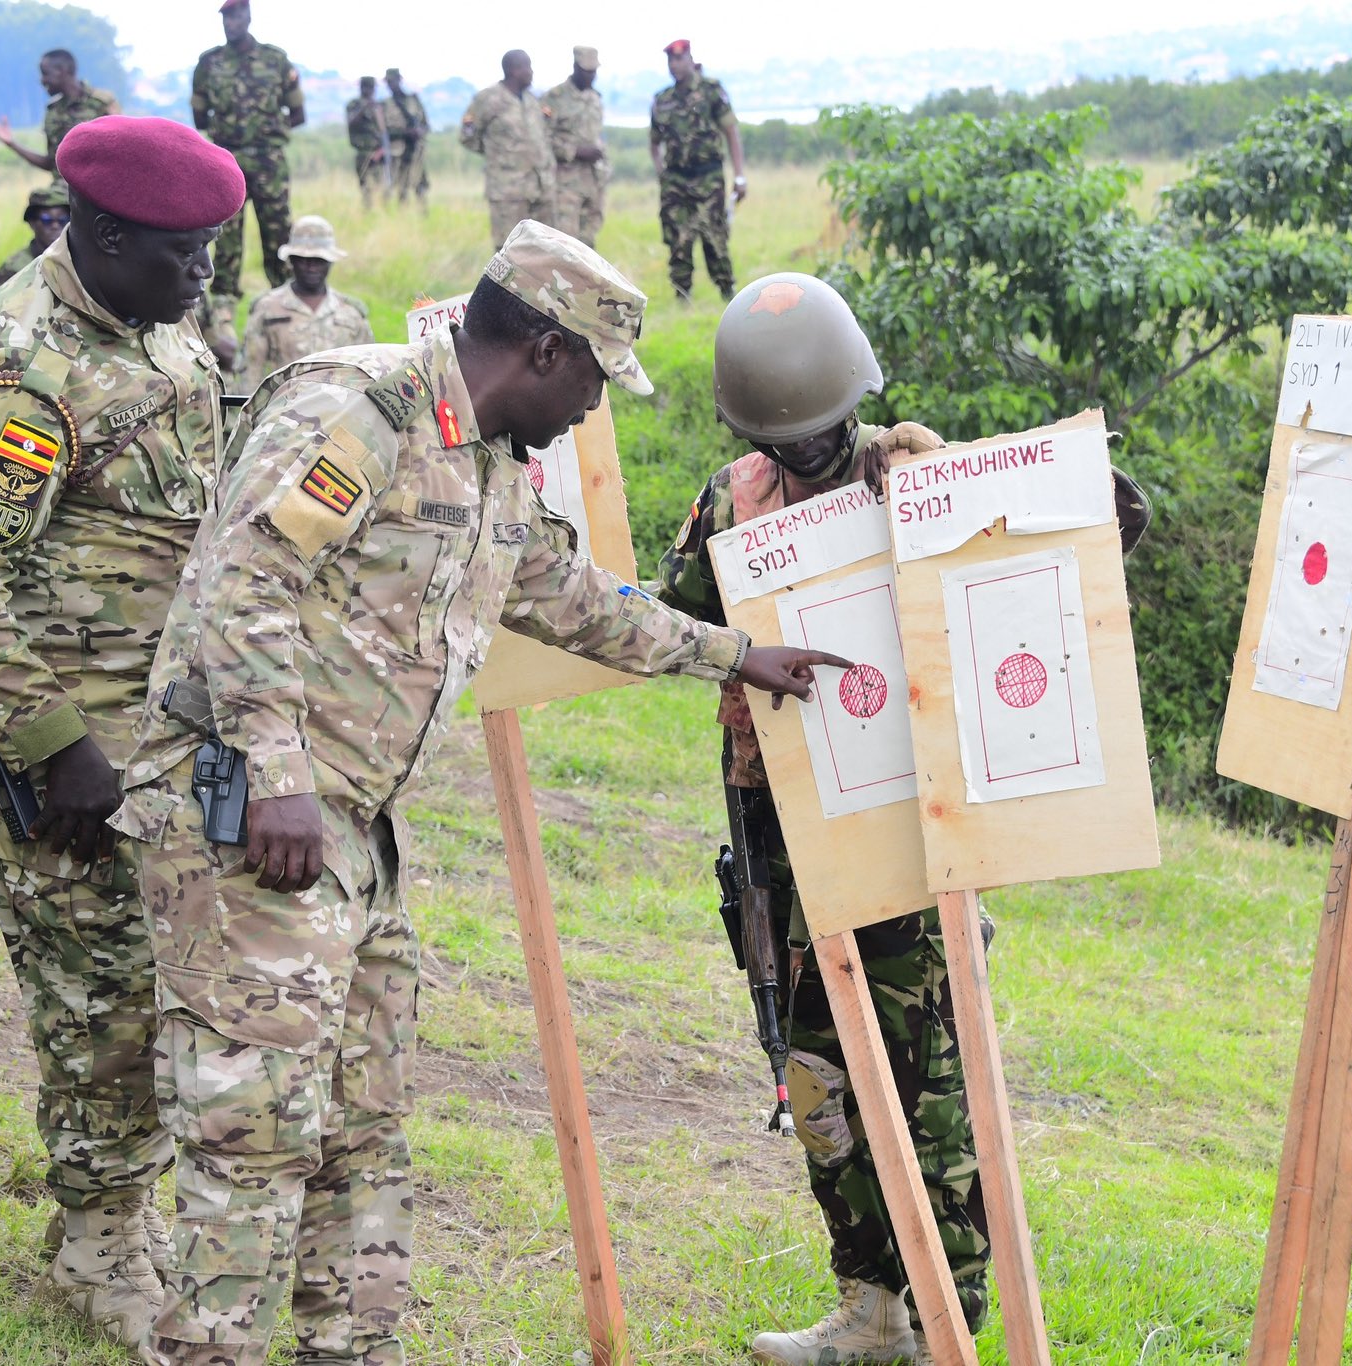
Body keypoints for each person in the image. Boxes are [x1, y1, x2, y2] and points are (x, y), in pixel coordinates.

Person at [112, 219, 847, 1366]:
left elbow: (570, 595)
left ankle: (351, 1345)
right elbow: (239, 580)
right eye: (596, 382)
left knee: (363, 1115)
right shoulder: (360, 411)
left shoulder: (493, 458)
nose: (594, 411)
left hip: (349, 831)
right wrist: (277, 774)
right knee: (252, 1130)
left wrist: (730, 651)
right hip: (254, 821)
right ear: (546, 351)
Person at [0, 114, 243, 1345]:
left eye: (211, 250)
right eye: (184, 252)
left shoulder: (156, 324)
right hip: (63, 749)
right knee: (98, 990)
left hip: (159, 731)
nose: (204, 274)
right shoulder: (23, 367)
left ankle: (116, 1212)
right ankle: (101, 1244)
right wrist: (56, 745)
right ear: (100, 232)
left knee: (165, 976)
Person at [651, 274, 1000, 1362]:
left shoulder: (911, 476)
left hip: (896, 819)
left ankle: (948, 1316)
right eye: (782, 442)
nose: (806, 455)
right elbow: (671, 615)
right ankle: (870, 1308)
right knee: (809, 1076)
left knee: (920, 1076)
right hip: (775, 825)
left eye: (822, 434)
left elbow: (1011, 565)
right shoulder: (729, 499)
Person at [192, 0, 304, 321]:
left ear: (249, 16)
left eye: (236, 15)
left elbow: (297, 112)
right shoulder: (209, 64)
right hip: (227, 162)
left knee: (278, 232)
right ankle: (222, 307)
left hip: (270, 163)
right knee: (225, 234)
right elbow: (200, 115)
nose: (231, 22)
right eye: (226, 17)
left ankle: (286, 300)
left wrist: (266, 132)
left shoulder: (276, 60)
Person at [650, 39, 746, 302]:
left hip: (708, 177)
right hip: (676, 181)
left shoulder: (712, 91)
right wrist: (662, 174)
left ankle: (727, 292)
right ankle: (682, 295)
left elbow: (731, 132)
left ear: (691, 59)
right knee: (678, 240)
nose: (674, 65)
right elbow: (654, 142)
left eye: (679, 59)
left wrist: (739, 176)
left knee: (714, 237)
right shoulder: (662, 100)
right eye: (670, 60)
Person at [240, 214, 372, 387]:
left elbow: (368, 373)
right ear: (292, 261)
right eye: (304, 260)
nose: (312, 267)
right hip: (283, 408)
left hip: (338, 409)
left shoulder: (351, 314)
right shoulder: (267, 309)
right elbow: (251, 371)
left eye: (319, 260)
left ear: (330, 262)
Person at [459, 50, 554, 249]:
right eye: (527, 67)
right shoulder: (487, 99)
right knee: (509, 251)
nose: (531, 72)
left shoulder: (532, 101)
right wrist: (497, 153)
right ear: (513, 69)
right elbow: (467, 136)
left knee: (542, 250)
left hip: (539, 188)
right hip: (507, 191)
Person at [0, 49, 118, 174]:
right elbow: (50, 163)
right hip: (63, 192)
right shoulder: (53, 111)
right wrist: (11, 143)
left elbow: (120, 151)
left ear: (61, 71)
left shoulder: (102, 102)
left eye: (45, 73)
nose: (42, 80)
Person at [545, 46, 607, 247]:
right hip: (565, 182)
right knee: (564, 243)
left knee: (588, 243)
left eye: (594, 71)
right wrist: (574, 151)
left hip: (593, 180)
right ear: (575, 67)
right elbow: (542, 138)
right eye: (586, 70)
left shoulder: (595, 98)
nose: (591, 76)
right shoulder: (554, 98)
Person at [0, 182, 70, 294]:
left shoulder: (80, 263)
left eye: (62, 220)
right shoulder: (14, 271)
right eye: (47, 220)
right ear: (32, 223)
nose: (55, 226)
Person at [380, 67, 428, 208]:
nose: (391, 85)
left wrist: (419, 132)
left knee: (420, 185)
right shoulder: (385, 105)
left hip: (416, 150)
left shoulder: (413, 100)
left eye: (393, 81)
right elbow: (384, 131)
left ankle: (422, 212)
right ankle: (403, 214)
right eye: (388, 82)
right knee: (401, 187)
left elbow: (425, 124)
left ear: (399, 80)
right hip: (397, 151)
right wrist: (405, 133)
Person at [344, 75, 387, 210]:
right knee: (365, 187)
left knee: (381, 185)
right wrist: (364, 108)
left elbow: (384, 131)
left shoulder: (379, 106)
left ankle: (381, 210)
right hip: (362, 152)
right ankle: (367, 210)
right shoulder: (354, 105)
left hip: (379, 153)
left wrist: (382, 150)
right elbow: (351, 122)